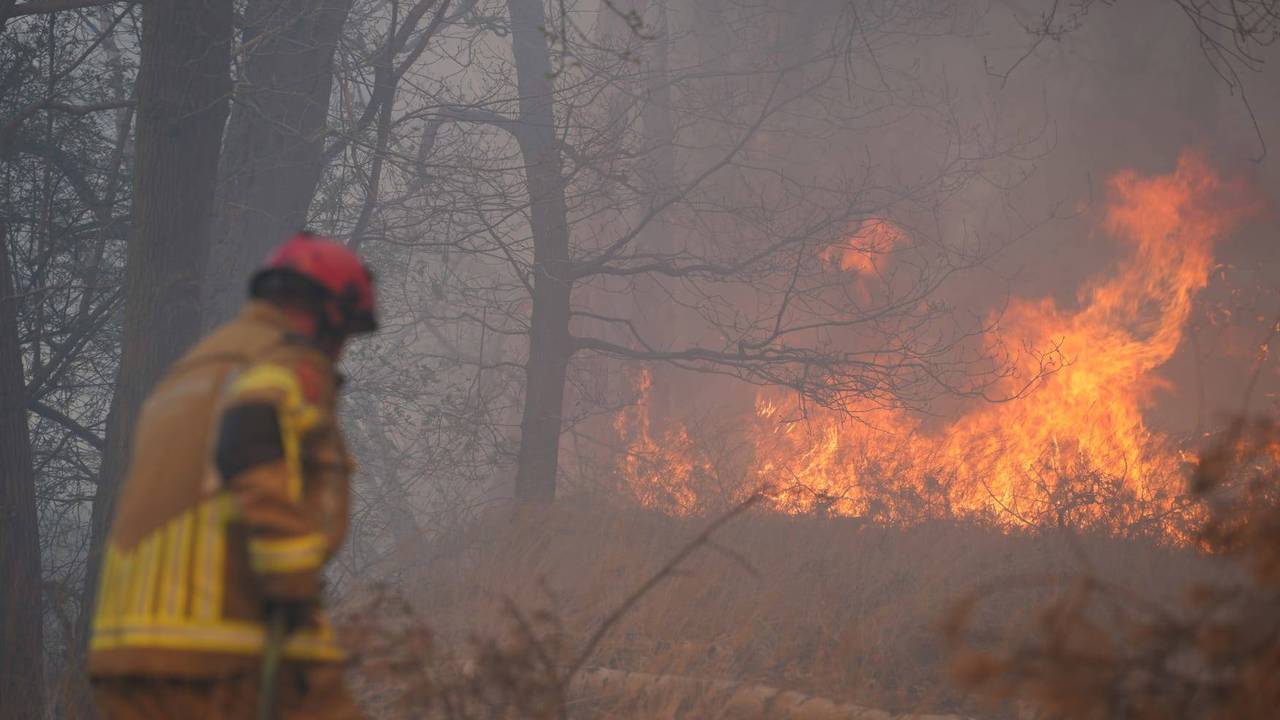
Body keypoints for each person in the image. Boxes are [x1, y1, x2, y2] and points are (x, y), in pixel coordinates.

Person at [88, 231, 377, 719]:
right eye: (345, 335)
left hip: (122, 654)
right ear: (325, 314)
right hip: (214, 651)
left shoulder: (188, 373)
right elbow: (250, 444)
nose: (342, 353)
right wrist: (295, 590)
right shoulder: (283, 362)